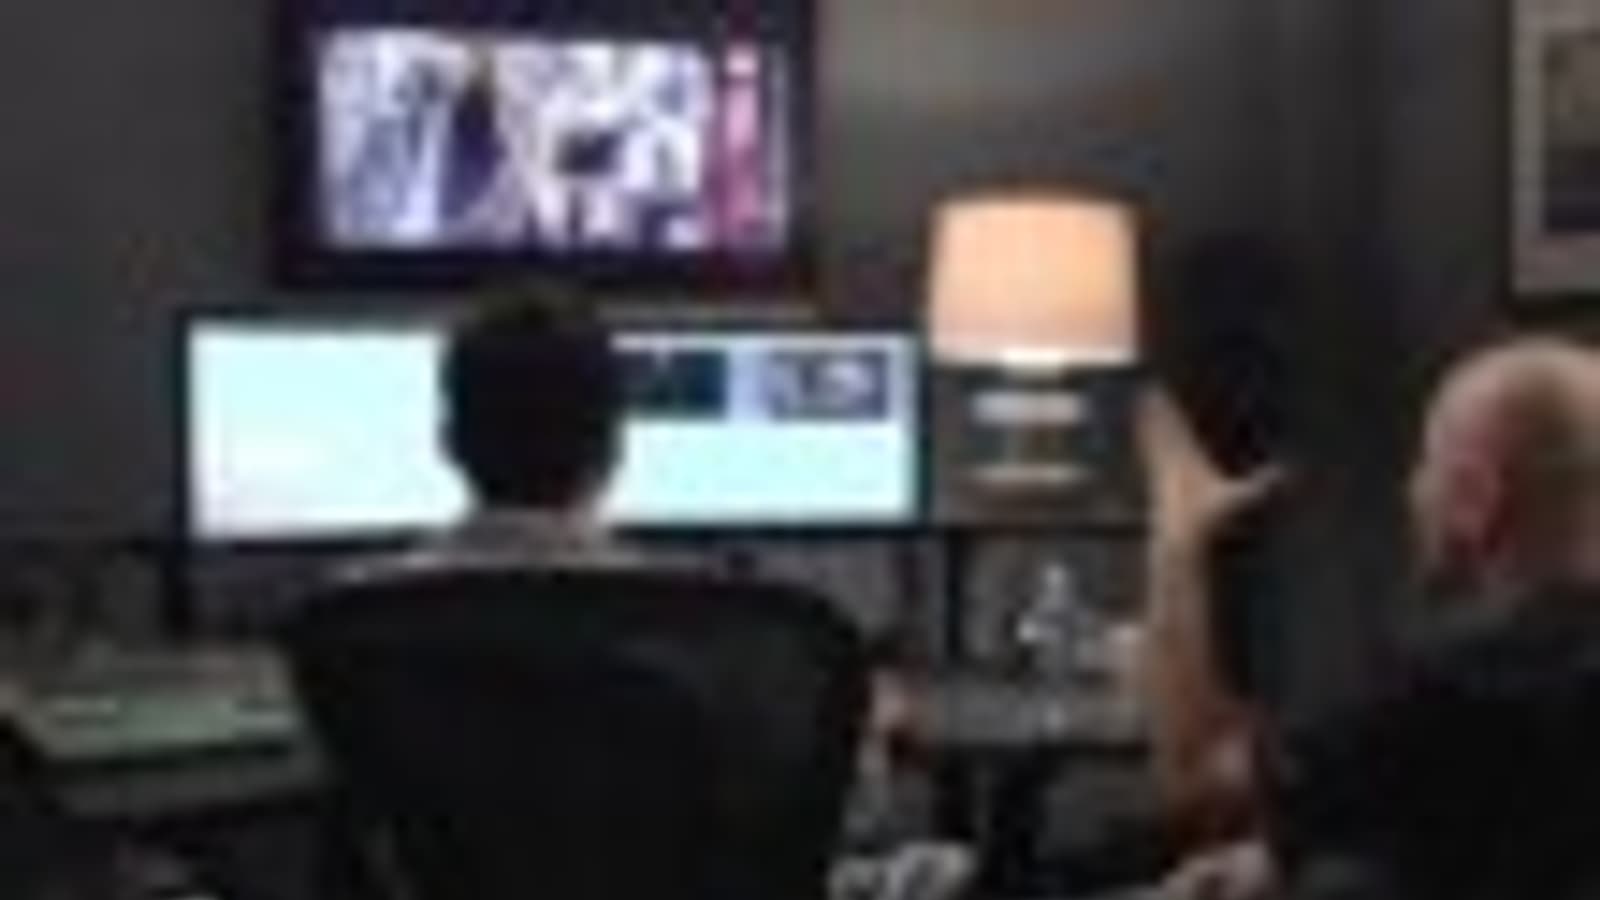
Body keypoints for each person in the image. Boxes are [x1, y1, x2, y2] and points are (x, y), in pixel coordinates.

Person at [1140, 338, 1600, 899]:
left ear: (1477, 498)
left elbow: (1195, 772)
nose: (1412, 492)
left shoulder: (1462, 686)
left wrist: (1178, 543)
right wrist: (1275, 859)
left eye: (1426, 464)